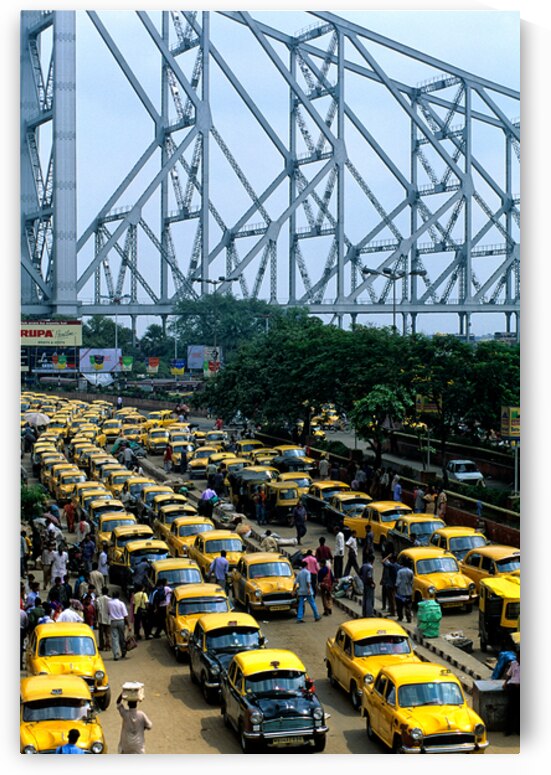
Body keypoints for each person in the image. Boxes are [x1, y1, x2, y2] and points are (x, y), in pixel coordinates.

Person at [503, 649, 520, 736]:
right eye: (517, 656)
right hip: (513, 687)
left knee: (519, 710)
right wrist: (505, 683)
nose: (518, 658)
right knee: (510, 709)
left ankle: (518, 730)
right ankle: (508, 730)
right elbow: (509, 675)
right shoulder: (514, 664)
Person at [108, 590, 129, 660]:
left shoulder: (109, 603)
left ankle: (116, 654)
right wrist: (128, 624)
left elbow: (108, 613)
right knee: (122, 637)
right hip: (121, 621)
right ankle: (123, 652)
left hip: (113, 621)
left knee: (114, 638)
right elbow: (125, 615)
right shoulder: (121, 603)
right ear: (118, 596)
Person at [395, 556, 414, 623]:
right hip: (408, 592)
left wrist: (396, 588)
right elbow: (412, 582)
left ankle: (400, 617)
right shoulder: (410, 572)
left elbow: (398, 582)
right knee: (408, 606)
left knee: (399, 606)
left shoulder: (400, 572)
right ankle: (409, 618)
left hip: (400, 592)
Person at [95, 587, 111, 651]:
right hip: (108, 619)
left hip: (101, 619)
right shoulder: (110, 600)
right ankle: (108, 646)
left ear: (102, 591)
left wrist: (96, 619)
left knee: (101, 634)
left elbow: (97, 609)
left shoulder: (98, 599)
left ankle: (102, 646)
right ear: (107, 592)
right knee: (107, 633)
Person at [360, 553, 376, 617]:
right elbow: (369, 577)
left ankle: (364, 613)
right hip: (369, 585)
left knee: (365, 598)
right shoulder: (370, 567)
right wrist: (372, 583)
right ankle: (369, 613)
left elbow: (359, 572)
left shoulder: (364, 565)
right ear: (372, 560)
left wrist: (362, 579)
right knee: (369, 599)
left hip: (364, 584)